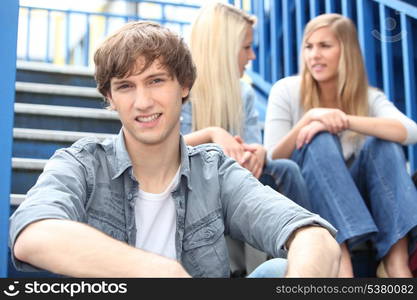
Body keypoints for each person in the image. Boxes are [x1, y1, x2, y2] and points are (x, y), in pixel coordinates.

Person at [9, 21, 340, 278]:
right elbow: (33, 234)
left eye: (156, 81)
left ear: (183, 85)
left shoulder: (216, 172)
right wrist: (159, 270)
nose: (143, 102)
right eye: (125, 86)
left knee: (278, 271)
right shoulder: (82, 163)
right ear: (110, 98)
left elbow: (312, 235)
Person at [264, 13, 417, 277]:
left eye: (325, 46)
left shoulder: (369, 97)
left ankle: (397, 265)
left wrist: (345, 120)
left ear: (346, 51)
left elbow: (410, 131)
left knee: (385, 145)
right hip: (303, 198)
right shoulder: (286, 90)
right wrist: (312, 118)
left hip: (359, 202)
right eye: (309, 47)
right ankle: (342, 265)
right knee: (319, 138)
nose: (314, 55)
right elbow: (272, 157)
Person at [180, 2, 311, 276]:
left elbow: (251, 144)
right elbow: (166, 147)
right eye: (246, 47)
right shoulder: (179, 89)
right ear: (224, 49)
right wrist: (213, 133)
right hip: (191, 180)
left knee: (284, 169)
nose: (252, 55)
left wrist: (258, 151)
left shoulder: (244, 93)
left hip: (235, 175)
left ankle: (304, 253)